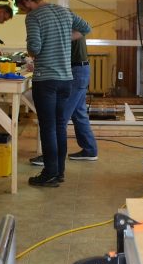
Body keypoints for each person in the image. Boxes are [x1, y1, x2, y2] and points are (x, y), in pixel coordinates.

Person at [14, 0, 91, 188]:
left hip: (46, 79)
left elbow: (35, 47)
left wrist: (33, 50)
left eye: (22, 8)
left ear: (27, 2)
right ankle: (59, 173)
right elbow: (86, 28)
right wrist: (62, 39)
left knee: (48, 128)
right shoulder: (64, 11)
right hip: (66, 79)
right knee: (59, 126)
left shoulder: (34, 17)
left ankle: (49, 173)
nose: (24, 12)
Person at [30, 35, 99, 166]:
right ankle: (90, 150)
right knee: (79, 114)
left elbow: (57, 50)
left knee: (59, 117)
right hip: (82, 70)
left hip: (75, 72)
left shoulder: (66, 27)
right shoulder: (74, 25)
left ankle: (51, 157)